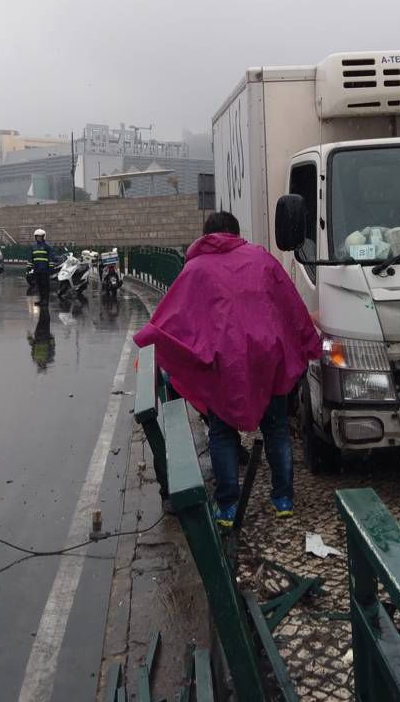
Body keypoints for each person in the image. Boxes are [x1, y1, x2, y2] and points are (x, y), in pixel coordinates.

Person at [134, 211, 320, 527]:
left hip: (224, 364)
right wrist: (308, 342)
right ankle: (283, 498)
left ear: (205, 236)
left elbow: (175, 318)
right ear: (235, 233)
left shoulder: (195, 270)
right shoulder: (261, 259)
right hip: (267, 357)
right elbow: (290, 305)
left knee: (221, 433)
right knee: (275, 429)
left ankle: (228, 506)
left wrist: (150, 338)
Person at [29, 228, 52, 304]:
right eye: (37, 236)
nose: (38, 238)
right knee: (39, 286)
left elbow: (50, 258)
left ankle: (46, 300)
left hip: (45, 270)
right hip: (37, 270)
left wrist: (50, 268)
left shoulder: (47, 246)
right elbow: (31, 258)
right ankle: (41, 300)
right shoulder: (33, 247)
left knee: (45, 286)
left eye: (40, 236)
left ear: (43, 237)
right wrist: (29, 268)